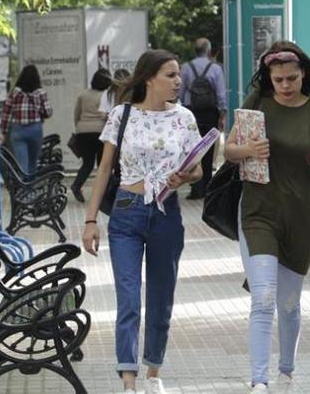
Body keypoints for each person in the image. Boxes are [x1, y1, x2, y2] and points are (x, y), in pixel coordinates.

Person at [223, 41, 310, 393]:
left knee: (288, 305)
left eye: (292, 78)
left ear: (302, 74)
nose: (286, 85)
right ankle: (258, 381)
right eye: (279, 80)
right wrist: (247, 150)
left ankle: (286, 370)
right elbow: (228, 150)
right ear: (269, 79)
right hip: (258, 212)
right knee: (263, 298)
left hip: (301, 218)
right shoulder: (257, 104)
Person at [81, 49, 203, 394]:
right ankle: (128, 378)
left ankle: (153, 371)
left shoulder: (185, 118)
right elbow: (104, 169)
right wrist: (90, 220)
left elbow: (199, 168)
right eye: (170, 74)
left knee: (161, 297)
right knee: (129, 298)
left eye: (178, 75)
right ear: (149, 78)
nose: (178, 81)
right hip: (126, 213)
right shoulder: (121, 115)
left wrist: (186, 177)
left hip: (167, 214)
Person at [179, 37, 227, 199]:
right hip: (210, 112)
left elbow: (180, 91)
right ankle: (207, 186)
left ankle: (196, 188)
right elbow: (221, 93)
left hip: (190, 112)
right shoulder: (215, 68)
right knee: (207, 148)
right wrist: (222, 113)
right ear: (208, 50)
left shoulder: (186, 67)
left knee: (192, 149)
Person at [0, 65, 53, 174]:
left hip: (18, 130)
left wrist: (4, 132)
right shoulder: (41, 93)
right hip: (35, 130)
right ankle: (31, 189)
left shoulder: (15, 92)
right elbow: (48, 112)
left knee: (22, 164)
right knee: (33, 163)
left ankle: (24, 188)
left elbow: (6, 113)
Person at [71, 68, 112, 202]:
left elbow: (76, 114)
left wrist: (79, 127)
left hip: (83, 132)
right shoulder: (106, 96)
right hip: (101, 132)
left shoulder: (83, 95)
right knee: (103, 164)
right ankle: (104, 193)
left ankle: (76, 185)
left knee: (87, 163)